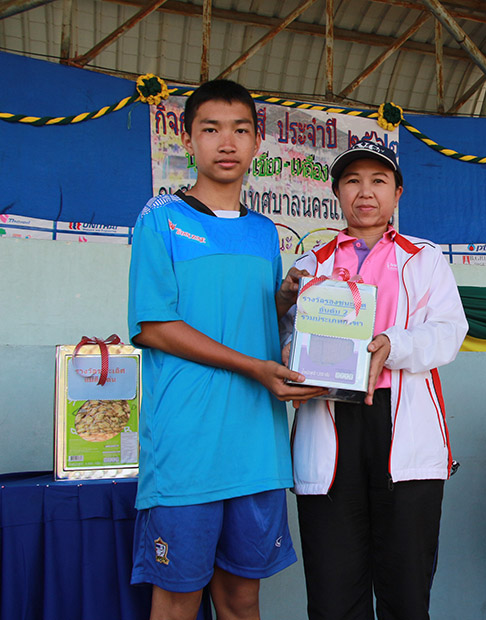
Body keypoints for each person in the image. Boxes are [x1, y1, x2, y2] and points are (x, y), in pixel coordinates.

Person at [127, 79, 324, 620]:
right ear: (187, 138)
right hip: (187, 446)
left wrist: (285, 301)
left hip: (256, 447)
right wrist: (255, 367)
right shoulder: (161, 219)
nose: (227, 142)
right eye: (211, 129)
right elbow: (154, 326)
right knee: (177, 602)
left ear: (257, 142)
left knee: (241, 601)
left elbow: (255, 323)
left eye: (240, 130)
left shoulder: (263, 233)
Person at [278, 140, 468, 620]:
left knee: (406, 591)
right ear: (337, 192)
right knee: (332, 593)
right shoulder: (309, 265)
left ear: (397, 193)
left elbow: (449, 332)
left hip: (400, 427)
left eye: (378, 181)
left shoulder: (424, 258)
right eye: (353, 181)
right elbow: (286, 339)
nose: (365, 192)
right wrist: (286, 335)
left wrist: (392, 344)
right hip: (330, 418)